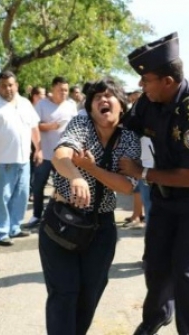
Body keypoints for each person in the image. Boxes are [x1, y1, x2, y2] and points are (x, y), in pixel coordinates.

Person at [119, 32, 189, 335]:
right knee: (154, 264)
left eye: (146, 80)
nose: (141, 86)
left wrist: (140, 172)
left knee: (186, 274)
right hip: (166, 197)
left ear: (168, 81)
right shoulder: (149, 101)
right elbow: (126, 127)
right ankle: (156, 316)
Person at [39, 78, 140, 335]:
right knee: (64, 292)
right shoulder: (81, 123)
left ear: (122, 104)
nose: (103, 101)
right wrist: (75, 176)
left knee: (91, 291)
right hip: (63, 221)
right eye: (97, 98)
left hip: (102, 227)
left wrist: (90, 169)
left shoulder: (129, 138)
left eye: (109, 96)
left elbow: (127, 186)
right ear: (90, 107)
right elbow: (61, 155)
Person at [0, 71, 42, 245]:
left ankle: (14, 228)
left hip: (23, 160)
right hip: (1, 161)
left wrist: (38, 149)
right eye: (4, 86)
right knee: (1, 198)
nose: (8, 89)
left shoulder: (26, 103)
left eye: (11, 85)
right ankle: (0, 233)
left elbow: (34, 128)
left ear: (17, 85)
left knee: (21, 196)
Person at [25, 76, 78, 229]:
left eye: (66, 90)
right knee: (38, 186)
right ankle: (36, 215)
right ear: (52, 89)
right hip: (45, 154)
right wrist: (50, 126)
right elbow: (34, 125)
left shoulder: (71, 105)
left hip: (64, 155)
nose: (64, 93)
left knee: (64, 187)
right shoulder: (42, 105)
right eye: (60, 90)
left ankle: (62, 217)